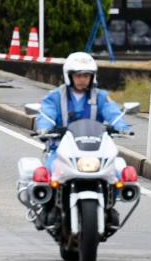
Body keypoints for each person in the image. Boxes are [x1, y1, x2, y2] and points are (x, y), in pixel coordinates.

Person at [35, 52, 132, 227]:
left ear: (92, 77)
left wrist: (123, 127)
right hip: (61, 148)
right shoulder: (56, 96)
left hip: (95, 148)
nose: (82, 79)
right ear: (69, 76)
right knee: (49, 172)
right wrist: (44, 128)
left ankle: (109, 207)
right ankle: (48, 208)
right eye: (78, 75)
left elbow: (113, 112)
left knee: (116, 172)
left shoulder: (100, 96)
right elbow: (46, 114)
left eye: (86, 75)